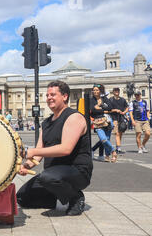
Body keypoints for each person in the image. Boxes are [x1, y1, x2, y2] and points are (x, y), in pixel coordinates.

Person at [17, 80, 92, 216]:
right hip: (53, 173)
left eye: (53, 94)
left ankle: (75, 196)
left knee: (48, 178)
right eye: (47, 95)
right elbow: (38, 154)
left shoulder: (73, 117)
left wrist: (32, 151)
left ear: (65, 96)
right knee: (22, 197)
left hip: (76, 171)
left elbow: (65, 149)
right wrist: (26, 166)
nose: (49, 98)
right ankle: (56, 195)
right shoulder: (46, 123)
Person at [90, 84, 117, 163]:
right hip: (98, 122)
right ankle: (113, 152)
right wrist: (100, 106)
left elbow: (110, 108)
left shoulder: (104, 98)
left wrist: (99, 107)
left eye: (97, 90)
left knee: (107, 139)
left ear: (100, 91)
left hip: (107, 120)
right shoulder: (91, 100)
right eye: (94, 90)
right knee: (103, 139)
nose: (95, 91)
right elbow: (92, 110)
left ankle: (107, 156)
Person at [109, 87, 129, 153]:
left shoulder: (123, 100)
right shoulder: (110, 100)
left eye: (117, 91)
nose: (116, 92)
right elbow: (108, 110)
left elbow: (127, 107)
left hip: (121, 118)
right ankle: (119, 147)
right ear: (113, 92)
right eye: (115, 91)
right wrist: (115, 110)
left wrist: (124, 112)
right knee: (117, 133)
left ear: (119, 92)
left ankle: (118, 147)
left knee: (120, 133)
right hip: (114, 118)